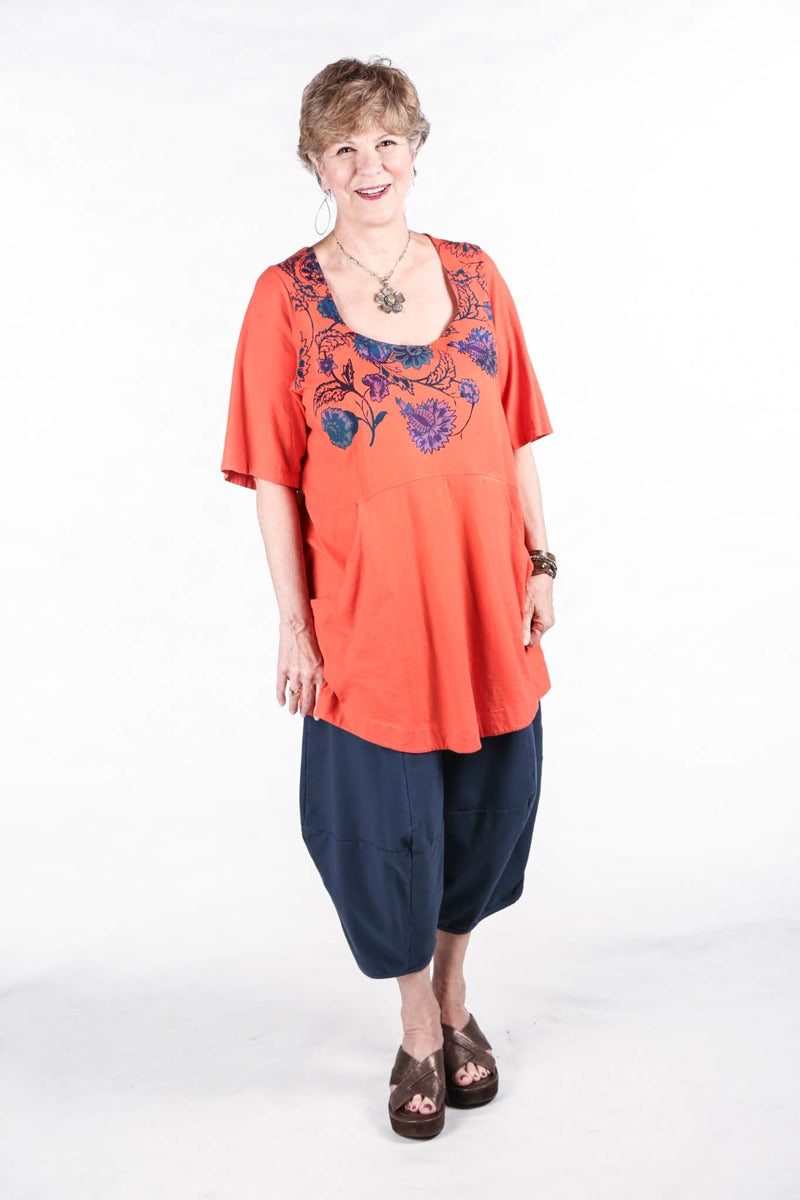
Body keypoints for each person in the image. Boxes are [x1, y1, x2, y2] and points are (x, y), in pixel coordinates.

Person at [221, 56, 556, 1139]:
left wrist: (541, 561)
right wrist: (295, 622)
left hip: (482, 596)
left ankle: (455, 991)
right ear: (316, 165)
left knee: (488, 808)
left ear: (414, 150)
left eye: (386, 142)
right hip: (366, 608)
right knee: (380, 822)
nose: (369, 165)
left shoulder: (476, 272)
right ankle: (416, 1021)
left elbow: (514, 431)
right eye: (344, 148)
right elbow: (274, 475)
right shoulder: (283, 296)